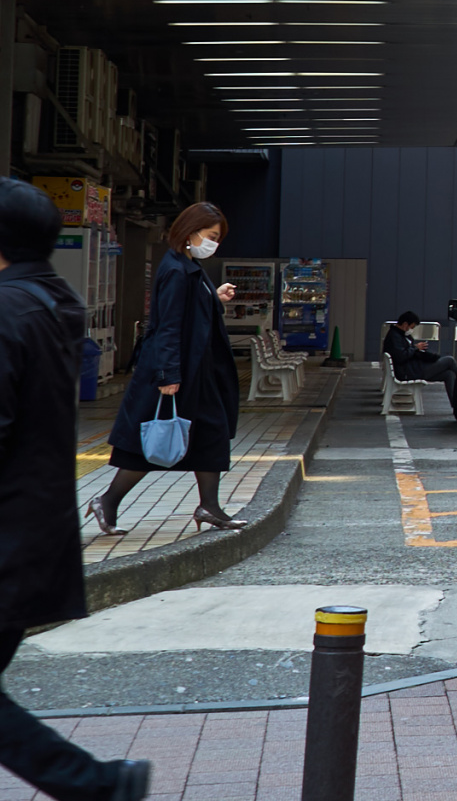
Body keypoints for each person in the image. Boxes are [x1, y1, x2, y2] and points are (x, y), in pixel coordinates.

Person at [0, 178, 152, 801]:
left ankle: (100, 785)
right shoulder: (51, 297)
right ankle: (99, 785)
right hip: (33, 528)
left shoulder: (10, 308)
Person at [93, 202, 244, 536]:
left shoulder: (188, 265)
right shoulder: (177, 270)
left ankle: (209, 506)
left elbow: (188, 312)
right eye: (211, 235)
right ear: (190, 232)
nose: (214, 243)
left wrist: (214, 297)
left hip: (196, 371)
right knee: (152, 442)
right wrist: (169, 376)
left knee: (209, 435)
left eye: (217, 238)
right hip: (179, 372)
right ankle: (109, 501)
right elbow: (169, 326)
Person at [382, 312, 457, 385]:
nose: (411, 330)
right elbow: (401, 356)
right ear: (405, 324)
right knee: (450, 360)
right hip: (409, 372)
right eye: (412, 327)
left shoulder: (401, 335)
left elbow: (406, 351)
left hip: (413, 369)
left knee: (449, 375)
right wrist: (415, 348)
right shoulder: (395, 337)